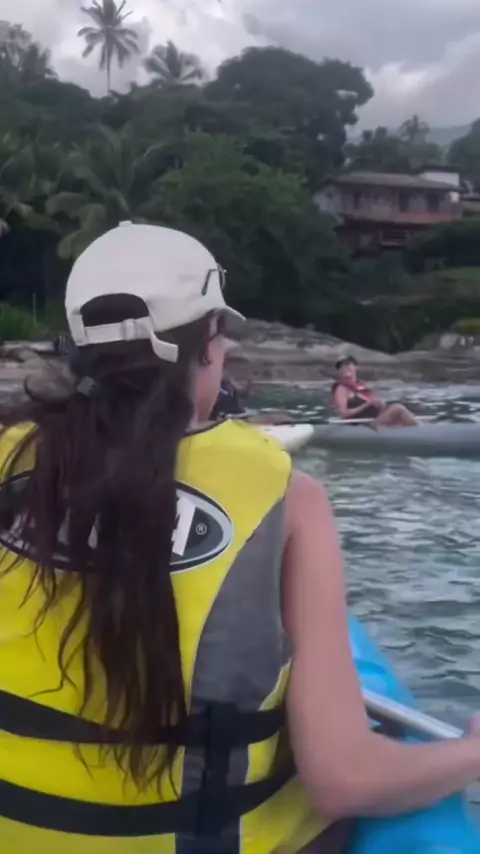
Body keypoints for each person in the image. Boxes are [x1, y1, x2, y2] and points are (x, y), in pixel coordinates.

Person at [0, 222, 479, 854]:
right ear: (209, 343)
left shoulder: (9, 456)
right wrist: (472, 752)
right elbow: (345, 780)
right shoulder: (288, 497)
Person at [332, 355, 419, 427]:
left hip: (374, 420)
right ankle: (421, 432)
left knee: (403, 416)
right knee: (398, 408)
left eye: (347, 364)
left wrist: (380, 405)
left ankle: (421, 430)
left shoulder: (362, 386)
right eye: (341, 367)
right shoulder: (341, 389)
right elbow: (343, 413)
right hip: (361, 425)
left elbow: (373, 406)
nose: (344, 368)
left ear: (356, 367)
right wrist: (367, 404)